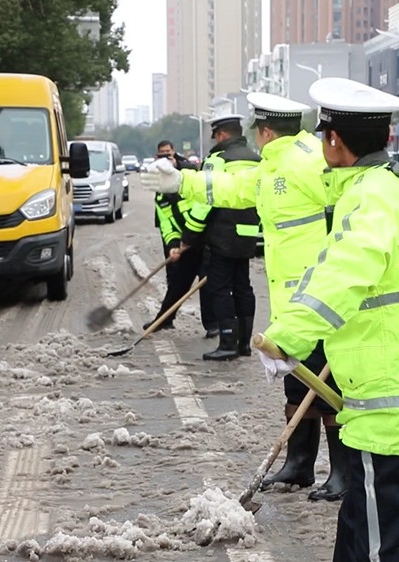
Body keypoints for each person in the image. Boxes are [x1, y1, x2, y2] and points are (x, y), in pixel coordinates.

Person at [259, 77, 399, 560]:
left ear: (334, 139)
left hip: (392, 399)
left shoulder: (370, 194)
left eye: (323, 135)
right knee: (363, 526)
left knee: (388, 545)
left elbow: (344, 271)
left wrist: (287, 338)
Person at [142, 92, 349, 502]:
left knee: (328, 385)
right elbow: (236, 187)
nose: (255, 136)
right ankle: (300, 464)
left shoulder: (309, 161)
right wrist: (183, 182)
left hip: (321, 297)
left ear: (266, 132)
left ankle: (343, 472)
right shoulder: (276, 162)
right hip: (292, 301)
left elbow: (347, 202)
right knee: (297, 382)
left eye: (257, 130)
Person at [183, 113, 261, 360]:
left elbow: (204, 201)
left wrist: (189, 236)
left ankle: (228, 343)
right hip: (249, 234)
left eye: (216, 135)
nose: (215, 140)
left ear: (223, 134)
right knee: (242, 287)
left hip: (223, 235)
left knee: (219, 287)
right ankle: (244, 344)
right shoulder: (257, 159)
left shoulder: (218, 160)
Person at [146, 141, 215, 336]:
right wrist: (173, 245)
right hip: (186, 243)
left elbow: (203, 210)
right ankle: (164, 319)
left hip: (205, 240)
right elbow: (166, 224)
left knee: (207, 284)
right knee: (178, 282)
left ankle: (212, 325)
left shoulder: (190, 181)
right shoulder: (161, 196)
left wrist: (188, 238)